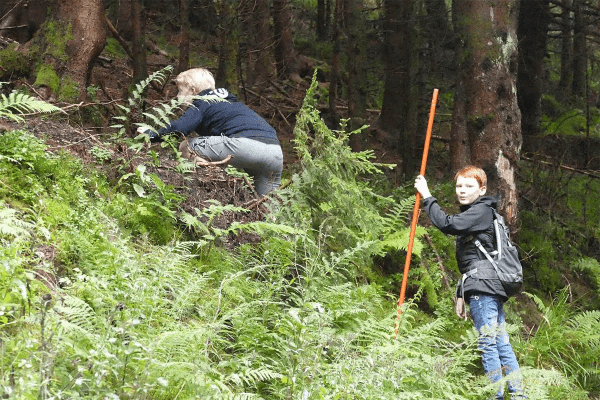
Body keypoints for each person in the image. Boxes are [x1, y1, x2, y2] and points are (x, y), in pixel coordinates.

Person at [414, 166, 524, 400]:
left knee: (488, 343)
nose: (462, 191)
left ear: (482, 189)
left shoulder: (481, 211)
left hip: (483, 287)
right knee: (500, 342)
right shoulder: (482, 213)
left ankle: (497, 395)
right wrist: (462, 293)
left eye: (469, 186)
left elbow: (448, 224)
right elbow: (475, 260)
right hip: (488, 284)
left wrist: (427, 196)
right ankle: (518, 395)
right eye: (459, 186)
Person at [138, 68, 283, 197]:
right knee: (266, 207)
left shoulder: (202, 101)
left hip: (246, 146)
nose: (177, 97)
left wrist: (152, 135)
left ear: (193, 90)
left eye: (180, 91)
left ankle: (205, 188)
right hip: (275, 152)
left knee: (187, 146)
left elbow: (180, 128)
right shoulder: (230, 101)